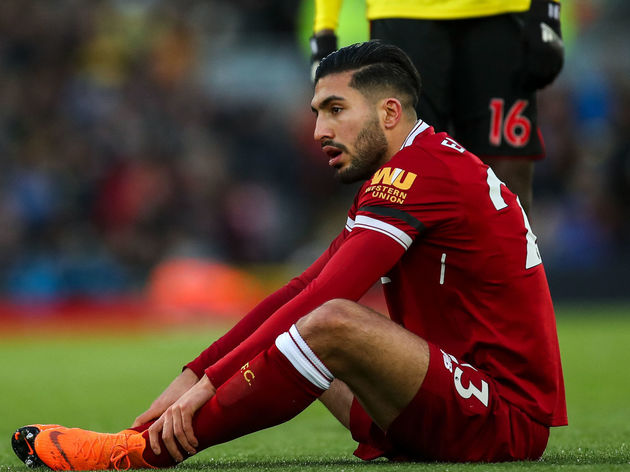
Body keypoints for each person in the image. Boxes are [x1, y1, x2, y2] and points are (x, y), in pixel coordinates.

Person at [11, 41, 566, 470]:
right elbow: (302, 287)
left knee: (332, 322)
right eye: (317, 111)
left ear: (390, 112)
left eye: (336, 109)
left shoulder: (419, 174)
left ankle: (141, 454)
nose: (320, 130)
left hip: (501, 420)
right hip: (455, 399)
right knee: (311, 320)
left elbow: (326, 298)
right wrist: (194, 373)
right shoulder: (414, 167)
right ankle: (145, 439)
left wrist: (209, 386)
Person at [310, 0, 564, 214]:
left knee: (507, 174)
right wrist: (324, 28)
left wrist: (547, 9)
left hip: (499, 13)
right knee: (405, 171)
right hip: (404, 13)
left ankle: (512, 260)